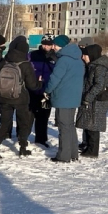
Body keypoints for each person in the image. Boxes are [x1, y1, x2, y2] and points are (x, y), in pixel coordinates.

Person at [0, 36, 40, 159]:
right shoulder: (26, 64)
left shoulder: (4, 61)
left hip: (4, 97)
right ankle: (23, 148)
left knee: (4, 123)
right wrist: (40, 83)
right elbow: (32, 85)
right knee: (23, 123)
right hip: (21, 99)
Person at [43, 34, 85, 163]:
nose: (53, 47)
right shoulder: (78, 59)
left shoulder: (63, 60)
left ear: (59, 46)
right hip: (74, 97)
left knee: (64, 127)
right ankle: (73, 153)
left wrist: (47, 90)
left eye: (55, 45)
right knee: (70, 126)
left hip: (63, 97)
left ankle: (64, 156)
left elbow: (55, 78)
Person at [76, 44, 108, 158]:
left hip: (96, 101)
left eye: (85, 55)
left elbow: (99, 85)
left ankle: (93, 151)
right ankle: (88, 147)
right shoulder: (93, 66)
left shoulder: (99, 67)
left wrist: (88, 97)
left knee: (93, 126)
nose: (83, 57)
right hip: (92, 99)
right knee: (88, 124)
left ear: (91, 55)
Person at [29, 36, 55, 148]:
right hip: (33, 89)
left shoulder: (55, 57)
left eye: (49, 44)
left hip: (47, 91)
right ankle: (23, 137)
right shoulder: (33, 55)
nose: (46, 46)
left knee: (44, 116)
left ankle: (41, 139)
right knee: (29, 115)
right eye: (44, 44)